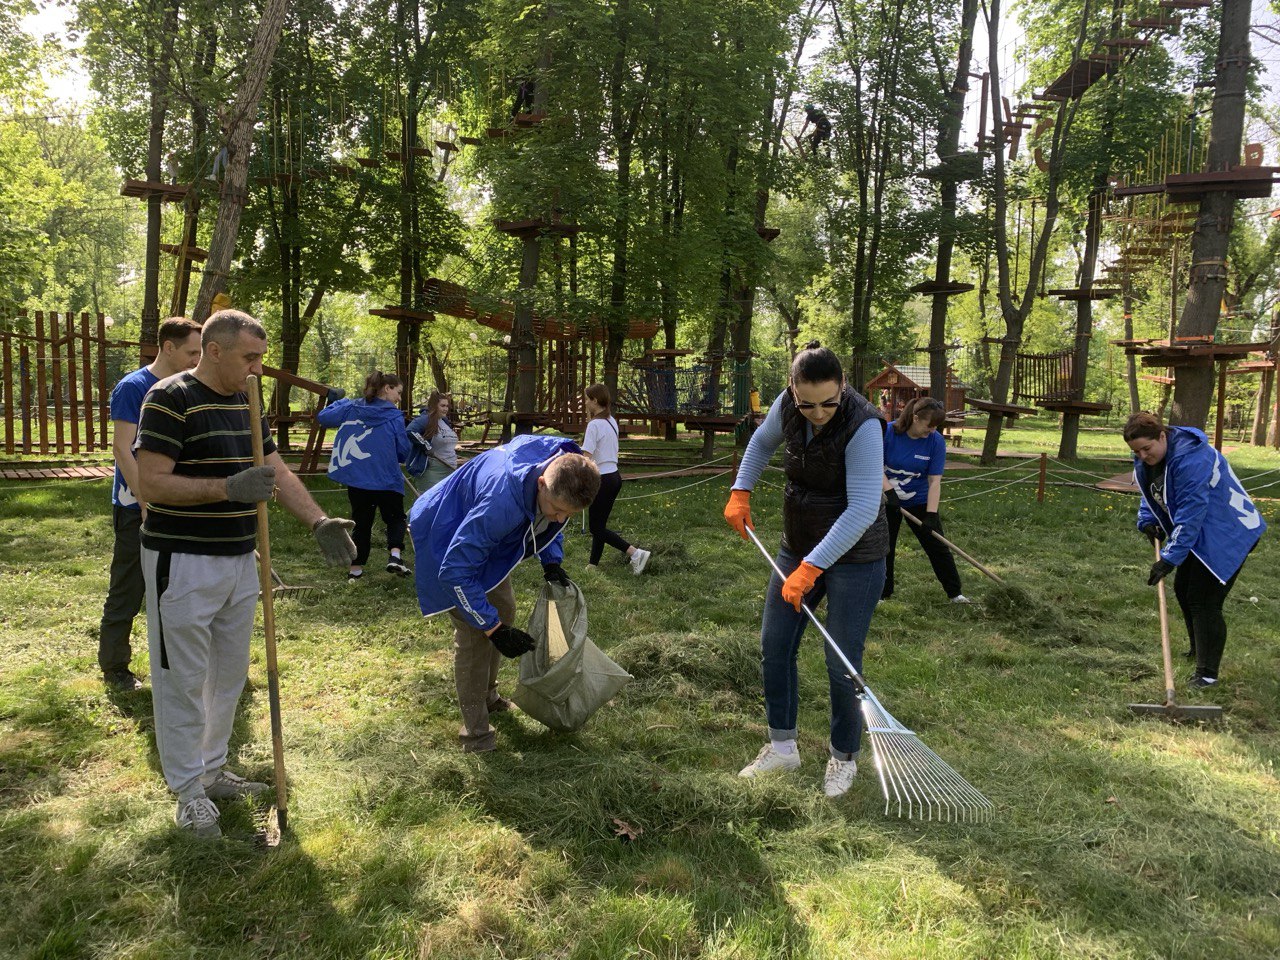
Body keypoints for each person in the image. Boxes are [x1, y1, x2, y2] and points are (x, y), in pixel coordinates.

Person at [134, 309, 356, 839]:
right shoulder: (169, 398)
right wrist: (227, 489)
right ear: (214, 350)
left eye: (260, 358)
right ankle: (187, 792)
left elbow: (274, 470)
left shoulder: (245, 401)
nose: (257, 369)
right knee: (181, 680)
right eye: (249, 358)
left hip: (240, 559)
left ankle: (212, 772)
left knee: (227, 676)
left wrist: (318, 520)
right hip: (181, 561)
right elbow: (152, 483)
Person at [723, 341, 887, 799]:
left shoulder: (864, 425)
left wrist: (813, 567)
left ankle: (843, 757)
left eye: (829, 403)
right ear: (793, 391)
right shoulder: (788, 405)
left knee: (841, 663)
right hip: (797, 545)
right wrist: (742, 491)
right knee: (774, 646)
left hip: (856, 558)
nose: (818, 413)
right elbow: (760, 442)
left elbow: (860, 511)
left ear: (844, 387)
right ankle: (782, 747)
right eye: (807, 404)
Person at [409, 435, 600, 753]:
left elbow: (546, 523)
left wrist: (551, 562)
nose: (560, 519)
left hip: (485, 535)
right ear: (541, 482)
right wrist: (493, 629)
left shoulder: (567, 465)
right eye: (556, 510)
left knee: (504, 608)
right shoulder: (501, 505)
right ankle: (476, 734)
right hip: (442, 529)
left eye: (569, 514)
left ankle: (489, 696)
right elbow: (455, 571)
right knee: (474, 635)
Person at [98, 317, 203, 691]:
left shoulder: (189, 388)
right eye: (192, 351)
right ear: (168, 347)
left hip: (174, 505)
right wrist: (145, 500)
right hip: (135, 507)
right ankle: (115, 668)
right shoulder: (134, 386)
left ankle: (174, 667)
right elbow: (123, 450)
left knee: (175, 590)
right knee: (128, 587)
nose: (197, 358)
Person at [1125, 411, 1266, 688]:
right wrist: (1148, 520)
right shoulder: (1151, 456)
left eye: (1146, 449)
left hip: (1227, 530)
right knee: (1184, 590)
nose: (1142, 455)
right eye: (1136, 451)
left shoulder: (1192, 459)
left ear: (1162, 436)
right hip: (1201, 530)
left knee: (1204, 598)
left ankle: (1207, 673)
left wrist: (1168, 559)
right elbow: (1151, 488)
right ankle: (1196, 651)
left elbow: (1192, 514)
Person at [317, 371, 414, 581]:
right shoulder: (395, 416)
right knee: (395, 518)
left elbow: (323, 418)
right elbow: (403, 451)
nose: (399, 398)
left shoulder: (351, 406)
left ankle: (355, 570)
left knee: (361, 523)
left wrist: (337, 402)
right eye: (398, 392)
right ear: (387, 389)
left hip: (359, 480)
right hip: (387, 479)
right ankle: (395, 556)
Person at [881, 396, 967, 604]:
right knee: (885, 547)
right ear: (915, 418)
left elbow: (935, 481)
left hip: (919, 499)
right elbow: (874, 465)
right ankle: (883, 592)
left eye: (936, 427)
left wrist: (931, 513)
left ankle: (955, 593)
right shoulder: (888, 433)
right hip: (886, 498)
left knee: (937, 545)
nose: (932, 431)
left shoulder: (935, 441)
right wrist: (889, 493)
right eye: (929, 426)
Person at [580, 383, 650, 574]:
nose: (585, 403)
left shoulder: (594, 425)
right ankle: (592, 565)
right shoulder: (611, 421)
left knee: (596, 527)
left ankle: (635, 553)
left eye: (587, 399)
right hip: (614, 477)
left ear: (595, 400)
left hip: (601, 478)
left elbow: (586, 457)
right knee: (599, 524)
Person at [407, 390, 460, 490]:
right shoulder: (425, 419)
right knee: (429, 503)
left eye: (447, 406)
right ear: (434, 406)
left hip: (450, 469)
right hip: (432, 471)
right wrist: (426, 446)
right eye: (442, 406)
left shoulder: (444, 421)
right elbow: (410, 431)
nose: (446, 409)